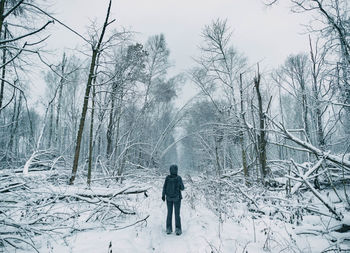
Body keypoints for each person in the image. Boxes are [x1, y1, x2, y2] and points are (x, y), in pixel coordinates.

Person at [162, 164, 185, 235]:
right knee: (177, 214)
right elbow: (182, 188)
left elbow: (164, 187)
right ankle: (178, 229)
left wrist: (163, 195)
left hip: (168, 198)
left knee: (169, 213)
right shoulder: (179, 178)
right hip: (177, 199)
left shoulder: (167, 178)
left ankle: (168, 229)